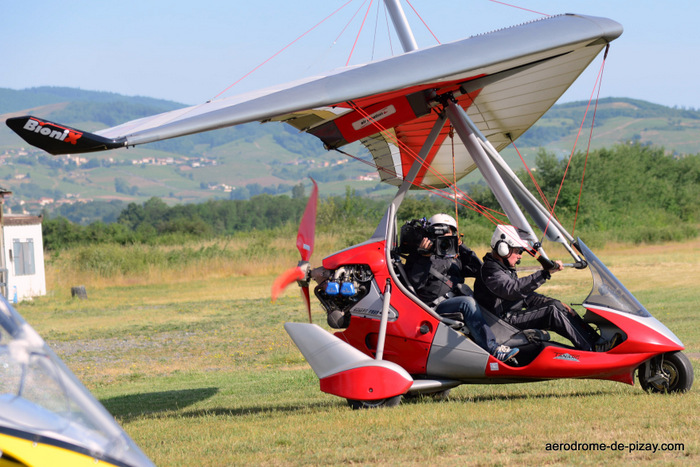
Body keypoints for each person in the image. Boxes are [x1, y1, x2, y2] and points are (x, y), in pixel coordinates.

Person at [474, 225, 618, 352]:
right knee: (552, 310)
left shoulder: (502, 268)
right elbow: (513, 290)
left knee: (558, 306)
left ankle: (598, 342)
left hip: (509, 316)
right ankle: (593, 348)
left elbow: (525, 296)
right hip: (502, 323)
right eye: (518, 251)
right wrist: (545, 273)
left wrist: (552, 301)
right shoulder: (490, 270)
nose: (520, 257)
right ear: (503, 249)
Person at [404, 214, 519, 362]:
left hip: (456, 302)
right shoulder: (419, 255)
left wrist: (461, 247)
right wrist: (423, 257)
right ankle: (493, 349)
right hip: (432, 307)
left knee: (481, 300)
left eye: (450, 232)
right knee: (467, 302)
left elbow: (480, 270)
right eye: (439, 232)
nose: (445, 237)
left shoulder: (455, 255)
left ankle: (508, 340)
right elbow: (414, 284)